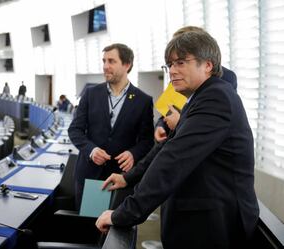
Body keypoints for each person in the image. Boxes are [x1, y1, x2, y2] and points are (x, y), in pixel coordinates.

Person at [95, 31, 259, 249]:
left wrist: (125, 213)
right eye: (170, 64)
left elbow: (173, 159)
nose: (172, 71)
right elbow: (168, 147)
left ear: (207, 65)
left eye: (181, 62)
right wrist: (128, 178)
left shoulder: (216, 98)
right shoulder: (199, 97)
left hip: (213, 226)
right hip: (200, 220)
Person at [68, 43, 155, 209]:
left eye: (111, 61)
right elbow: (75, 130)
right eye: (104, 61)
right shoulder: (91, 93)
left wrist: (133, 153)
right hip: (91, 173)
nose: (105, 66)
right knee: (90, 225)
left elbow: (147, 140)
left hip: (120, 178)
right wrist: (91, 150)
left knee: (115, 231)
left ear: (127, 65)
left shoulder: (143, 100)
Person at [155, 26, 238, 143]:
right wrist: (161, 126)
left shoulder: (225, 79)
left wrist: (180, 123)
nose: (173, 69)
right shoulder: (179, 77)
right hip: (173, 140)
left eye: (181, 60)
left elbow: (212, 121)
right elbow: (168, 109)